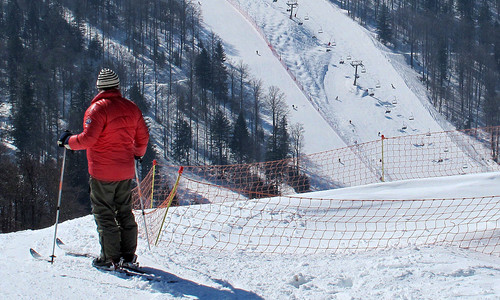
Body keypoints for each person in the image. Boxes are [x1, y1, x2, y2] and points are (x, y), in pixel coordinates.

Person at [57, 68, 149, 270]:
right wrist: (137, 154)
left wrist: (68, 142)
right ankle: (128, 256)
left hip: (102, 172)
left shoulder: (97, 109)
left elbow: (88, 139)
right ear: (117, 86)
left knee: (104, 213)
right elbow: (143, 138)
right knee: (125, 211)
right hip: (125, 171)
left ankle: (109, 258)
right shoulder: (131, 108)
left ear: (100, 87)